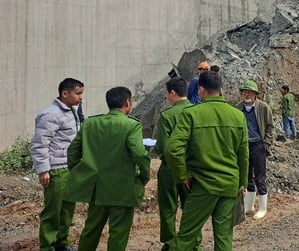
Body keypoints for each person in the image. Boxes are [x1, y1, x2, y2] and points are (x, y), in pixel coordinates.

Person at [165, 71, 249, 250]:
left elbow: (173, 149)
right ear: (221, 90)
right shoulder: (237, 116)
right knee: (224, 237)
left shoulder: (192, 114)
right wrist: (242, 183)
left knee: (186, 236)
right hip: (229, 185)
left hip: (203, 185)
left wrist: (183, 175)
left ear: (201, 90)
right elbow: (243, 154)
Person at [64, 87, 151, 251]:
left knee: (91, 229)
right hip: (123, 188)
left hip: (97, 188)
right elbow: (139, 154)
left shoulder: (90, 123)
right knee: (118, 233)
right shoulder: (131, 126)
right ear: (127, 102)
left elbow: (72, 152)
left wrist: (81, 173)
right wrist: (144, 175)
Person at [30, 78, 84, 251]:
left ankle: (61, 243)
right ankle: (47, 246)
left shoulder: (70, 111)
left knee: (67, 209)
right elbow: (40, 144)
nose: (80, 97)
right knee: (53, 211)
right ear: (65, 93)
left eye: (81, 93)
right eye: (78, 93)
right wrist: (43, 170)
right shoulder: (51, 114)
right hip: (56, 169)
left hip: (70, 168)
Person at [155, 77, 192, 250]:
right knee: (191, 208)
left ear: (172, 93)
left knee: (168, 208)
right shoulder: (197, 111)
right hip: (192, 169)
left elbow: (162, 146)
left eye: (167, 94)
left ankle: (170, 243)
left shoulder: (167, 116)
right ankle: (192, 241)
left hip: (169, 169)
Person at [237, 80, 274, 220]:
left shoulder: (263, 108)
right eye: (244, 92)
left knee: (260, 177)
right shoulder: (238, 108)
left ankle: (262, 208)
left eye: (250, 92)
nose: (247, 94)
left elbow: (270, 127)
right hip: (244, 146)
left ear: (255, 94)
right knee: (246, 176)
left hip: (258, 145)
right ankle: (249, 206)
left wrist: (267, 143)